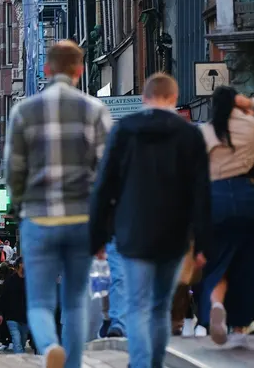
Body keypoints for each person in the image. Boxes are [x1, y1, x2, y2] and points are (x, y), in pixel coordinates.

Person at [90, 72, 211, 368]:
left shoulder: (125, 131)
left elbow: (105, 186)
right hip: (174, 234)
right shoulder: (190, 135)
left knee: (138, 306)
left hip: (133, 232)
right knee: (159, 308)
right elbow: (201, 193)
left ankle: (142, 364)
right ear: (173, 97)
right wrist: (204, 244)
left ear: (144, 99)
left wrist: (98, 236)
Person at [4, 40, 111, 368]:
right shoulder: (95, 111)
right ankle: (73, 364)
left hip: (38, 219)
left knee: (38, 301)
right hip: (81, 218)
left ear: (47, 70)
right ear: (80, 70)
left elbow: (13, 170)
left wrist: (19, 206)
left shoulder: (23, 112)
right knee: (76, 301)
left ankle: (49, 346)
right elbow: (106, 172)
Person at [194, 86, 254, 347]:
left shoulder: (206, 131)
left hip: (216, 198)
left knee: (217, 261)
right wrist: (248, 102)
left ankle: (216, 303)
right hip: (249, 197)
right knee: (246, 262)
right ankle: (240, 323)